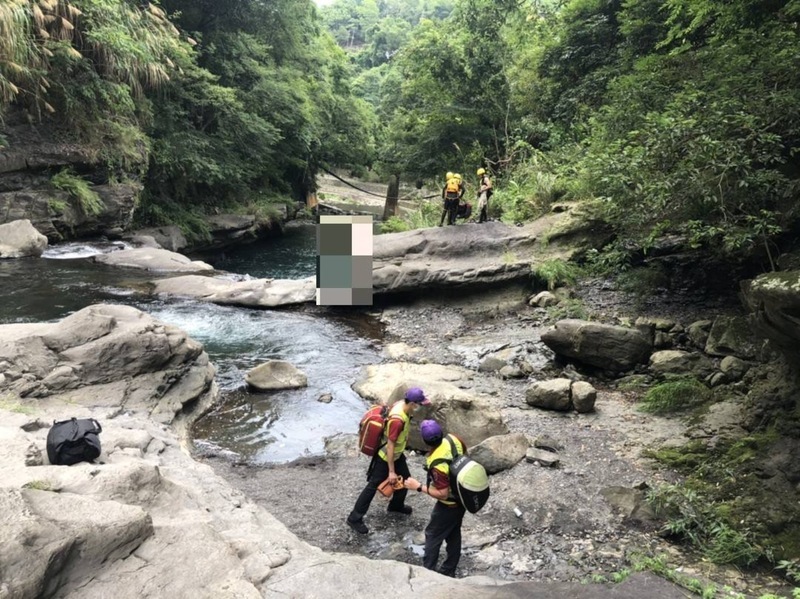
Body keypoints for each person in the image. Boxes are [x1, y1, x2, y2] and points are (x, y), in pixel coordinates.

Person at [347, 387, 431, 534]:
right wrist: (391, 471)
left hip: (397, 455)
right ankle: (354, 518)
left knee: (405, 479)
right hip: (386, 457)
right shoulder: (397, 421)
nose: (420, 407)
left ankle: (396, 506)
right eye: (420, 404)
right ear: (412, 404)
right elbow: (391, 445)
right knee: (373, 486)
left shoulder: (401, 405)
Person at [403, 419, 467, 577]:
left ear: (425, 441)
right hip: (464, 496)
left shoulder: (437, 463)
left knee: (432, 534)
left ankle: (428, 573)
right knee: (453, 532)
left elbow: (442, 493)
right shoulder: (454, 439)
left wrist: (418, 486)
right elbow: (466, 458)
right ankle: (449, 569)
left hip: (449, 504)